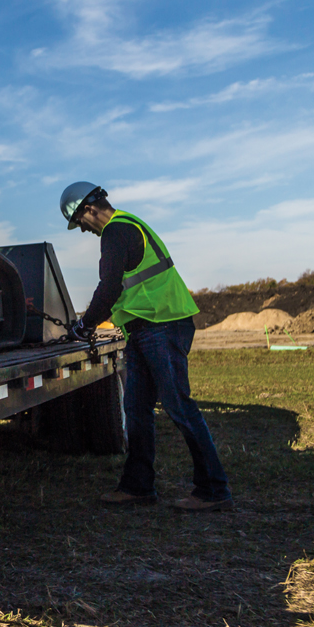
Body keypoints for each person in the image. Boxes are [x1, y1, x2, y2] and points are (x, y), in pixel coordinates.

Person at [59, 181, 233, 512]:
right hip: (144, 329)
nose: (83, 231)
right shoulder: (129, 224)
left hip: (162, 326)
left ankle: (214, 489)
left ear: (89, 210)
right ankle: (138, 487)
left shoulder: (116, 231)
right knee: (136, 410)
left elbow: (108, 288)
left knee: (179, 406)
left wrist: (83, 327)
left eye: (80, 223)